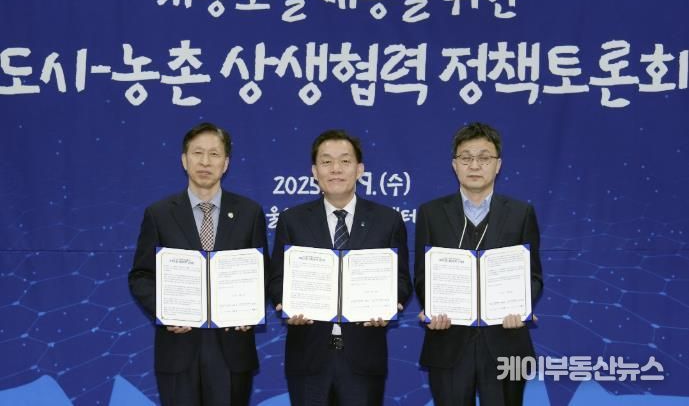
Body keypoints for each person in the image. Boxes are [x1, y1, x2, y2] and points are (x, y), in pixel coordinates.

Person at [268, 129, 412, 405]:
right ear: (315, 171)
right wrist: (284, 304)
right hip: (308, 355)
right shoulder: (292, 221)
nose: (335, 169)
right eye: (326, 161)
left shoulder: (388, 221)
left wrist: (391, 304)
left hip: (363, 355)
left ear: (360, 170)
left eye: (345, 161)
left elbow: (401, 279)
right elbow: (277, 278)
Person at [128, 122, 268, 406]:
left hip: (232, 348)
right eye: (197, 153)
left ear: (225, 163)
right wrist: (165, 310)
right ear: (184, 160)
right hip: (178, 348)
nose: (205, 162)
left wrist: (251, 308)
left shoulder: (249, 212)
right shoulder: (159, 214)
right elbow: (141, 275)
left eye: (214, 154)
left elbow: (263, 272)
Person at [414, 122, 543, 406]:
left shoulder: (521, 213)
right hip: (448, 340)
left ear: (498, 165)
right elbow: (422, 275)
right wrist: (433, 307)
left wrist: (521, 307)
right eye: (466, 157)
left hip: (506, 340)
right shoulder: (431, 213)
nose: (474, 165)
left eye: (484, 158)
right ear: (454, 165)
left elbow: (533, 275)